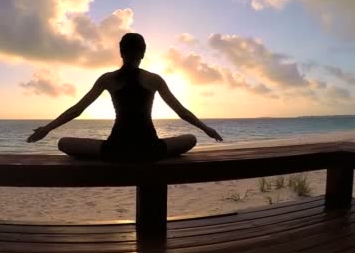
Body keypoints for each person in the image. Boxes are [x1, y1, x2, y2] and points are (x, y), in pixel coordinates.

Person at [27, 33, 223, 161]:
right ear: (143, 53)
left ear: (121, 52)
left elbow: (77, 110)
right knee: (190, 138)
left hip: (116, 150)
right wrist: (206, 129)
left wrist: (47, 128)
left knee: (63, 143)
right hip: (150, 150)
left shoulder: (108, 79)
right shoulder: (154, 79)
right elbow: (181, 112)